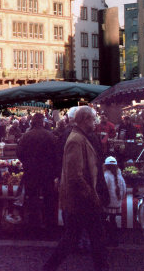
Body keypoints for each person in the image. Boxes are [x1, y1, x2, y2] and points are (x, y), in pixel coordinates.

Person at [42, 106, 109, 271]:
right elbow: (75, 175)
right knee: (79, 239)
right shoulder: (76, 140)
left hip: (84, 198)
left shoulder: (82, 137)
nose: (96, 122)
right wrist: (92, 195)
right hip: (83, 199)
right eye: (94, 119)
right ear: (85, 120)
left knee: (87, 238)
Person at [17, 113, 57, 231]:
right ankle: (50, 224)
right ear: (43, 122)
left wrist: (27, 162)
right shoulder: (50, 136)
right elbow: (56, 154)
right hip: (47, 172)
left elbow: (19, 153)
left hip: (31, 172)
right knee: (48, 198)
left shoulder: (26, 136)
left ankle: (34, 225)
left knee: (32, 198)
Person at [103, 156, 126, 246]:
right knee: (112, 220)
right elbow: (124, 190)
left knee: (106, 221)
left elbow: (103, 191)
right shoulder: (120, 176)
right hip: (117, 204)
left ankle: (111, 239)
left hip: (108, 204)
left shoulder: (106, 176)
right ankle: (114, 240)